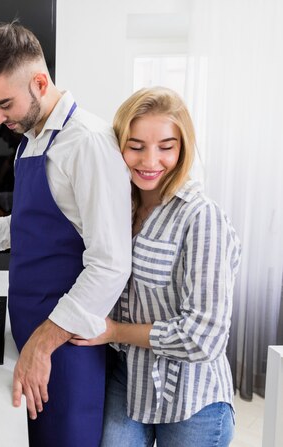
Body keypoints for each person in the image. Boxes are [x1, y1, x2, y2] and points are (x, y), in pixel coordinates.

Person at [0, 22, 132, 446]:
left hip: (66, 349)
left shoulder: (87, 143)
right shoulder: (31, 141)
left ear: (40, 82)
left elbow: (110, 263)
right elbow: (30, 228)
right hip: (31, 336)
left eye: (3, 104)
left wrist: (43, 344)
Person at [71, 87, 241, 446]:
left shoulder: (201, 216)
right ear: (118, 146)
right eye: (135, 146)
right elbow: (44, 222)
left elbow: (203, 337)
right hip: (129, 378)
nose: (150, 161)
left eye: (166, 146)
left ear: (182, 149)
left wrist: (115, 331)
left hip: (193, 396)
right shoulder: (118, 207)